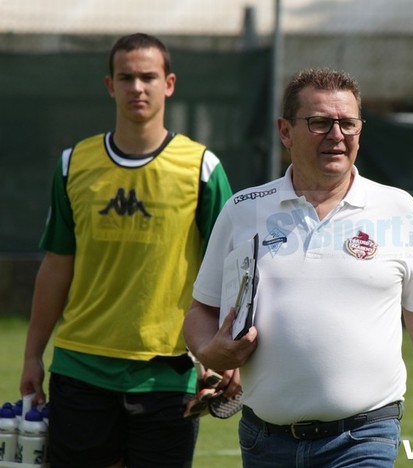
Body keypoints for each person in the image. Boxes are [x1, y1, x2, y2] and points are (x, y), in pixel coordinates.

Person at [184, 67, 413, 467]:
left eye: (348, 123)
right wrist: (208, 350)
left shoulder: (399, 209)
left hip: (364, 436)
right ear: (285, 132)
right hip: (264, 441)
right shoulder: (243, 209)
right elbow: (202, 309)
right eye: (319, 122)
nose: (336, 135)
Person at [19, 33, 233, 468]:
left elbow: (231, 270)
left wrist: (224, 353)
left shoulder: (201, 167)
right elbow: (57, 265)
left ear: (169, 84)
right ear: (109, 85)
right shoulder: (73, 163)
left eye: (148, 77)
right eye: (126, 77)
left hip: (168, 371)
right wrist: (31, 355)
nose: (137, 87)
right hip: (81, 367)